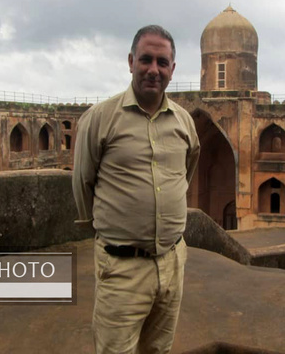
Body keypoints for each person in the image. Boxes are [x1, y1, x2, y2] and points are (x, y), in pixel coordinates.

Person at [72, 25, 200, 353]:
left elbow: (187, 171)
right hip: (122, 267)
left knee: (158, 349)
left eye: (162, 62)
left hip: (172, 262)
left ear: (172, 69)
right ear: (131, 61)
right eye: (146, 59)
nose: (153, 70)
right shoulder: (101, 118)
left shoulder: (184, 122)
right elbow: (83, 181)